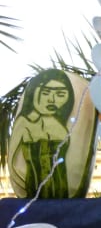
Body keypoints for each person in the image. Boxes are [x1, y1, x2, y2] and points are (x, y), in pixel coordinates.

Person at [8, 69, 75, 198]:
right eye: (45, 93)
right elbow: (12, 162)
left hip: (63, 195)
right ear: (34, 93)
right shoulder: (24, 122)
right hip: (33, 195)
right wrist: (23, 187)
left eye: (60, 94)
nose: (52, 100)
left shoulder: (61, 126)